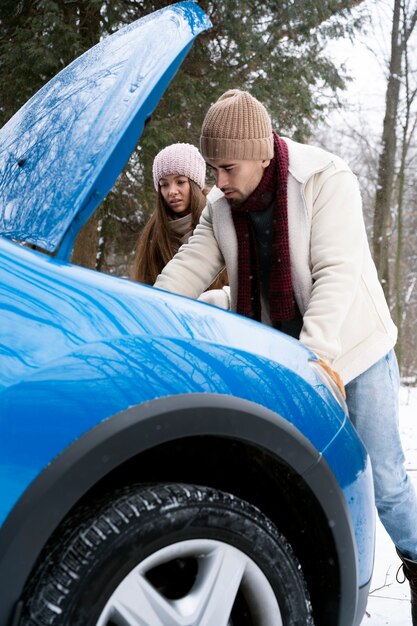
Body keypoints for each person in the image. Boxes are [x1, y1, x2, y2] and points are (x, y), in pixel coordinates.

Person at [154, 89, 417, 624]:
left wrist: (315, 362)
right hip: (288, 358)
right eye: (212, 169)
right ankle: (346, 595)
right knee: (318, 483)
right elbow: (185, 271)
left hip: (351, 350)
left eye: (226, 168)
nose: (218, 182)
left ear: (261, 153)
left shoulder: (325, 180)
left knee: (385, 485)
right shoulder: (224, 209)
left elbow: (336, 275)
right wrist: (146, 320)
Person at [132, 142, 228, 307]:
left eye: (180, 182)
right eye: (164, 184)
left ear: (195, 183)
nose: (172, 191)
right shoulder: (154, 233)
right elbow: (146, 286)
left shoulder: (220, 217)